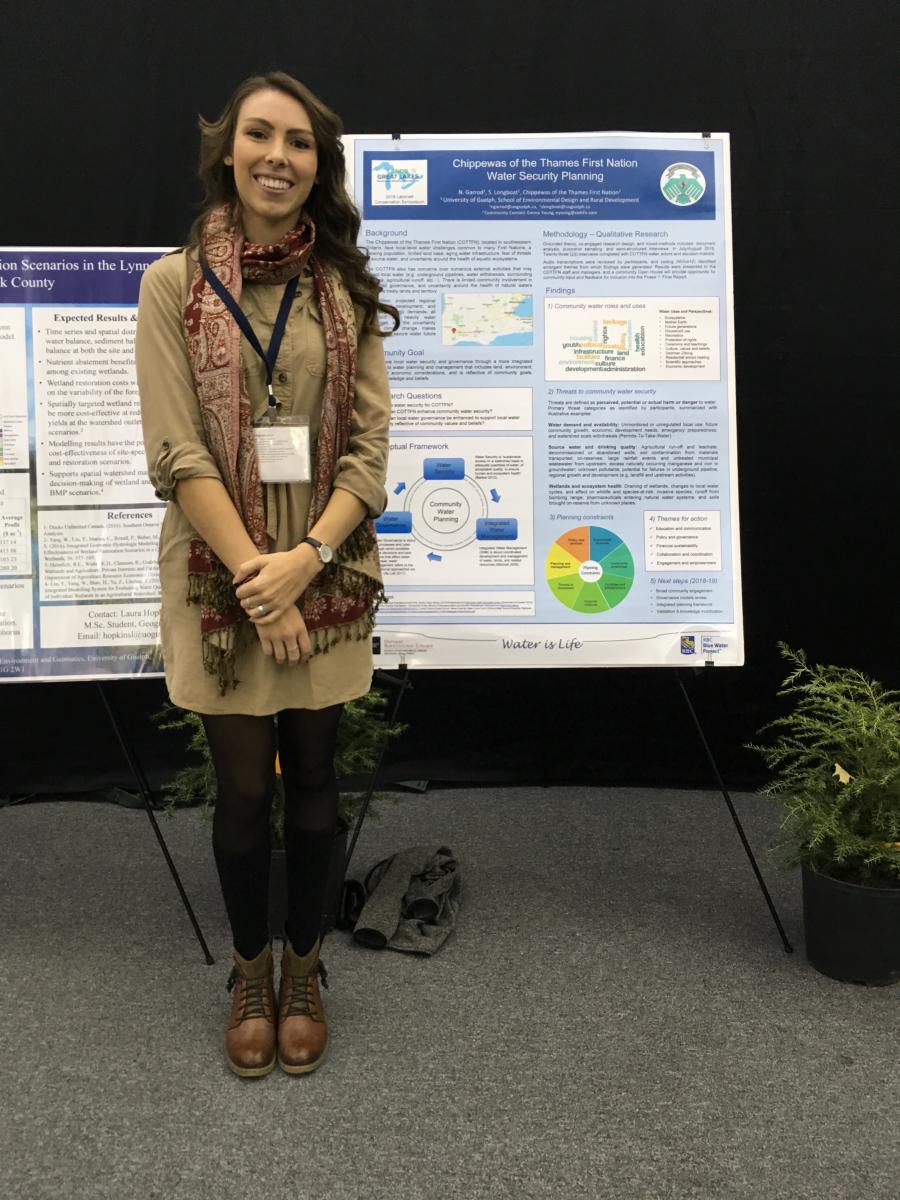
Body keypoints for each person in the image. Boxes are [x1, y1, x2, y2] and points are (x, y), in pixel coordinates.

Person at [135, 71, 397, 1079]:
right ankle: (251, 970)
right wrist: (259, 580)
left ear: (318, 165)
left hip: (324, 566)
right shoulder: (172, 287)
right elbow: (178, 453)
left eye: (298, 141)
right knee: (245, 794)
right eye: (259, 134)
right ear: (228, 148)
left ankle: (306, 961)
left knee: (319, 780)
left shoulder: (345, 290)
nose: (277, 155)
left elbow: (368, 454)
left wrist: (305, 563)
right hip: (221, 583)